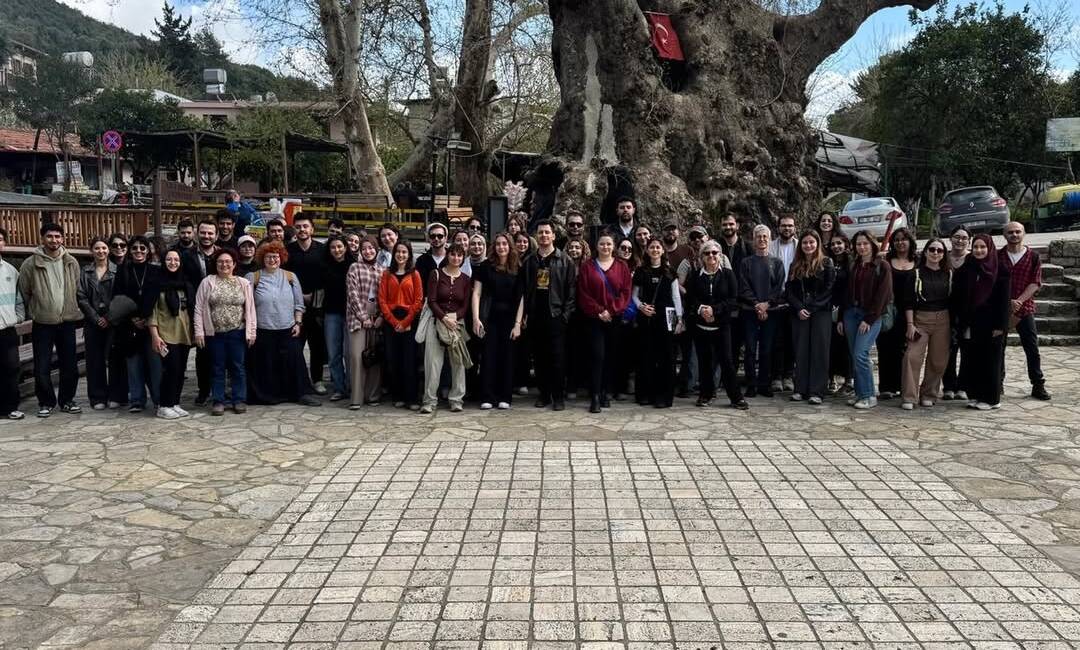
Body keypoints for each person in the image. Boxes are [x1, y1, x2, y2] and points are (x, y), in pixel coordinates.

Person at [19, 223, 83, 417]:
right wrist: (37, 310)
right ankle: (46, 402)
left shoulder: (71, 261)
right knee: (42, 365)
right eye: (49, 236)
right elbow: (25, 292)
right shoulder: (30, 264)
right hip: (43, 323)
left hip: (67, 320)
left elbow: (77, 288)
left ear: (62, 238)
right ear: (42, 238)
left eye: (57, 236)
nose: (54, 240)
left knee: (69, 364)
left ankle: (67, 400)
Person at [245, 242, 319, 407]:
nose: (272, 260)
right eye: (268, 257)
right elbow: (247, 306)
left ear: (281, 258)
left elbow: (299, 303)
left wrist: (298, 323)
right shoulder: (253, 277)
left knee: (294, 363)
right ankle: (267, 396)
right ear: (262, 258)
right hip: (263, 329)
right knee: (266, 365)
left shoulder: (290, 277)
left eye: (276, 256)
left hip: (288, 328)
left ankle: (300, 394)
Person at [685, 240, 747, 410]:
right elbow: (690, 299)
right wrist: (701, 310)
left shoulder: (728, 274)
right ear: (702, 257)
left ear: (720, 255)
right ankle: (706, 393)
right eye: (707, 253)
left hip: (722, 326)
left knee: (727, 362)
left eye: (714, 252)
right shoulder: (695, 276)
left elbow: (733, 300)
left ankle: (736, 397)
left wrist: (714, 310)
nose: (711, 256)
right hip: (701, 326)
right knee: (704, 362)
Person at [522, 219, 577, 411]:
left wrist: (565, 316)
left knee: (557, 358)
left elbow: (572, 292)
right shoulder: (530, 261)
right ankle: (544, 394)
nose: (544, 235)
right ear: (536, 236)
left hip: (556, 315)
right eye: (540, 232)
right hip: (536, 315)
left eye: (547, 232)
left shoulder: (565, 260)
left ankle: (558, 396)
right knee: (539, 358)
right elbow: (524, 290)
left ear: (553, 235)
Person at [195, 249, 256, 416]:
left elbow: (251, 309)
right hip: (215, 334)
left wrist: (252, 331)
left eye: (228, 261)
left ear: (234, 264)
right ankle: (219, 401)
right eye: (220, 261)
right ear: (216, 264)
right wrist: (199, 331)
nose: (224, 264)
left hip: (238, 332)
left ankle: (239, 399)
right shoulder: (208, 282)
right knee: (217, 368)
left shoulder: (243, 283)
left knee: (238, 367)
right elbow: (199, 308)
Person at [577, 232, 632, 413]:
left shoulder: (622, 267)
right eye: (602, 244)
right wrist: (599, 311)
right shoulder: (587, 267)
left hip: (614, 319)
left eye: (609, 244)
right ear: (597, 246)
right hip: (594, 319)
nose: (605, 247)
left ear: (613, 246)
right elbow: (583, 293)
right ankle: (594, 395)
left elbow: (626, 293)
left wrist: (612, 310)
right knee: (597, 356)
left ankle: (605, 392)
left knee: (610, 355)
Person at [954, 234, 1010, 410]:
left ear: (990, 248)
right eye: (976, 247)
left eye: (983, 247)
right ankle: (976, 395)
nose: (979, 251)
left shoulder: (1000, 269)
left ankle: (991, 399)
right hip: (971, 323)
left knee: (991, 361)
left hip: (992, 324)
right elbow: (959, 295)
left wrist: (1001, 326)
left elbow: (1004, 300)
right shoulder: (967, 267)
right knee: (972, 360)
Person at [839, 231, 893, 409]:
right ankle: (860, 393)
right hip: (851, 313)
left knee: (860, 354)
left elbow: (883, 295)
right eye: (858, 244)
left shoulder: (882, 266)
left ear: (872, 244)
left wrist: (869, 319)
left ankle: (869, 395)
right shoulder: (854, 265)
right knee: (854, 355)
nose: (862, 247)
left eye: (865, 243)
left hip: (870, 316)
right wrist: (841, 318)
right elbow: (846, 293)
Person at [471, 232, 525, 410]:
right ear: (494, 247)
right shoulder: (485, 266)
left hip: (510, 319)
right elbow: (477, 293)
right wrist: (476, 318)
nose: (501, 247)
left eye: (504, 244)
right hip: (489, 317)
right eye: (498, 244)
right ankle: (487, 396)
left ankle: (505, 396)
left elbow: (521, 297)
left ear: (510, 246)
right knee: (488, 356)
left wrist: (518, 324)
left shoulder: (517, 267)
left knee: (507, 358)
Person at [999, 222, 1050, 400]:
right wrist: (1007, 301)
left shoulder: (1033, 257)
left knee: (1031, 347)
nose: (1014, 235)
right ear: (1004, 235)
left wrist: (1019, 301)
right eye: (1010, 232)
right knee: (998, 347)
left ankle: (1037, 384)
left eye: (1017, 231)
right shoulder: (998, 256)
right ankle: (997, 383)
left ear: (1024, 233)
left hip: (1025, 309)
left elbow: (1035, 282)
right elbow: (993, 282)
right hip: (1001, 309)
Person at [899, 239, 951, 410]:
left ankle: (929, 394)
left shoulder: (949, 274)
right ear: (926, 251)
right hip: (920, 319)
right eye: (932, 249)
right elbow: (908, 301)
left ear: (944, 254)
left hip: (943, 320)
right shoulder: (915, 274)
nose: (935, 253)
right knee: (912, 357)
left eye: (939, 250)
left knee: (938, 360)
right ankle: (909, 396)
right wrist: (910, 324)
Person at [114, 235, 163, 413]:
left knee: (155, 364)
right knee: (133, 364)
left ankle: (159, 398)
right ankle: (137, 399)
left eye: (142, 248)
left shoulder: (156, 270)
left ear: (148, 251)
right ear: (130, 250)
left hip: (151, 324)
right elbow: (117, 296)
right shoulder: (123, 270)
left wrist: (146, 317)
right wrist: (133, 318)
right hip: (130, 324)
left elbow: (158, 297)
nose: (138, 251)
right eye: (134, 248)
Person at [785, 230, 835, 405]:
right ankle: (800, 389)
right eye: (805, 242)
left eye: (811, 242)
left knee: (819, 351)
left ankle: (817, 391)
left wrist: (811, 308)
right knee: (801, 350)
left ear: (817, 244)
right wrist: (799, 307)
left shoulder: (826, 263)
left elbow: (829, 290)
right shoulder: (795, 264)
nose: (808, 245)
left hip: (821, 312)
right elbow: (789, 290)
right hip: (800, 313)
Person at [633, 237, 683, 408]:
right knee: (646, 355)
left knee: (666, 357)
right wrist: (641, 307)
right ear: (647, 250)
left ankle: (664, 396)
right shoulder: (641, 271)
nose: (655, 250)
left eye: (657, 247)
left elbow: (676, 297)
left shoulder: (670, 272)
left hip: (666, 317)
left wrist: (679, 319)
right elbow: (634, 295)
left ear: (662, 251)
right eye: (652, 247)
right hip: (647, 317)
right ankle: (645, 394)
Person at [421, 243, 472, 414]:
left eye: (459, 255)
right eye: (453, 254)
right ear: (447, 255)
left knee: (458, 363)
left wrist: (454, 318)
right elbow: (432, 300)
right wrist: (443, 318)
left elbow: (465, 305)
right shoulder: (436, 274)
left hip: (456, 324)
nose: (456, 258)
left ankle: (456, 399)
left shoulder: (466, 279)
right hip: (435, 322)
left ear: (463, 258)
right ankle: (429, 400)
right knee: (433, 364)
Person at [739, 225, 786, 398]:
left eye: (765, 236)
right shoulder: (746, 263)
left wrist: (767, 304)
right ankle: (751, 384)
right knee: (751, 349)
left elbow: (779, 287)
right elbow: (743, 287)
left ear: (770, 239)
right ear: (753, 239)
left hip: (771, 312)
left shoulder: (777, 263)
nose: (762, 239)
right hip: (750, 311)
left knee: (767, 349)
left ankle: (764, 384)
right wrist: (756, 304)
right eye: (758, 236)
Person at [284, 214, 329, 394]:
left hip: (318, 306)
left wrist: (314, 296)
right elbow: (284, 277)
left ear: (312, 229)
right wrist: (300, 297)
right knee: (295, 346)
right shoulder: (288, 251)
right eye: (298, 227)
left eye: (305, 226)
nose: (302, 230)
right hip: (294, 306)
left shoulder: (322, 250)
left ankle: (317, 380)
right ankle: (297, 381)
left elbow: (327, 277)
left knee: (317, 345)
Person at [148, 250, 195, 419]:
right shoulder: (156, 284)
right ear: (163, 261)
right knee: (170, 370)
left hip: (184, 334)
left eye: (176, 259)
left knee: (180, 370)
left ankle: (175, 402)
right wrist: (155, 335)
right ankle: (164, 405)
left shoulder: (185, 284)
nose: (173, 262)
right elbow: (152, 312)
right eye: (169, 259)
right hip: (166, 335)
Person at [378, 242, 423, 409]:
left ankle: (412, 398)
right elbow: (382, 300)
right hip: (391, 320)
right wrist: (393, 321)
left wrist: (405, 322)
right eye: (398, 251)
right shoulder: (387, 274)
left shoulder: (414, 274)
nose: (401, 255)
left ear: (409, 255)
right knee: (393, 359)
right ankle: (398, 395)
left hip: (410, 319)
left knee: (409, 359)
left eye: (404, 252)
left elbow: (418, 301)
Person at [77, 238, 119, 410]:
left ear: (108, 250)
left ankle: (116, 395)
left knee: (115, 359)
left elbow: (120, 295)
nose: (101, 251)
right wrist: (95, 318)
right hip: (92, 322)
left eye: (104, 248)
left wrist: (109, 317)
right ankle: (97, 397)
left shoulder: (117, 270)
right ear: (91, 251)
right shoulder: (85, 272)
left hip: (113, 321)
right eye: (97, 248)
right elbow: (81, 297)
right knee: (94, 361)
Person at [181, 219, 219, 405]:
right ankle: (204, 390)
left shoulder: (223, 254)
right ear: (197, 233)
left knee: (220, 352)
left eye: (210, 233)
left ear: (216, 235)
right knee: (202, 352)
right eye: (203, 232)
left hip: (220, 309)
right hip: (196, 307)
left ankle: (219, 390)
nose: (206, 236)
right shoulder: (186, 256)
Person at [877, 227, 917, 400]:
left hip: (911, 312)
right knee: (886, 348)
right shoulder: (885, 260)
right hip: (888, 310)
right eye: (897, 240)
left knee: (906, 350)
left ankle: (903, 386)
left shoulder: (918, 261)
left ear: (910, 241)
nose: (900, 243)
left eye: (904, 239)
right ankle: (887, 386)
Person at [346, 237, 384, 409]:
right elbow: (352, 294)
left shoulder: (382, 270)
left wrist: (380, 316)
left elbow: (384, 296)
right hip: (358, 317)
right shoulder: (354, 267)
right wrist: (363, 317)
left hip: (376, 318)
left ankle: (373, 395)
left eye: (371, 248)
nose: (368, 251)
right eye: (364, 249)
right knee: (356, 357)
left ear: (376, 249)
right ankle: (356, 398)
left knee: (373, 357)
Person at [718, 213, 752, 375]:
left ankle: (733, 377)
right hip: (721, 303)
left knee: (738, 342)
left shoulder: (747, 248)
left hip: (742, 303)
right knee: (723, 343)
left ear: (737, 225)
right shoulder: (716, 247)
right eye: (725, 224)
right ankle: (723, 377)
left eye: (731, 224)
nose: (728, 227)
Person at [768, 213, 797, 392]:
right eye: (784, 225)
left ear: (794, 228)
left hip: (795, 298)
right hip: (776, 298)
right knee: (777, 339)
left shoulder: (800, 246)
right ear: (778, 228)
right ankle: (776, 376)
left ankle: (788, 376)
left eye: (790, 225)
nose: (787, 228)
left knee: (791, 339)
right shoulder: (771, 247)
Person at [323, 236, 354, 401]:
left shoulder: (353, 265)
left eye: (340, 246)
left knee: (350, 353)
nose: (337, 250)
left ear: (345, 247)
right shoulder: (324, 265)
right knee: (334, 353)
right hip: (331, 313)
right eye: (333, 247)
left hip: (351, 314)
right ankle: (339, 388)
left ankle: (352, 386)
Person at [942, 226, 971, 401]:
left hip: (968, 311)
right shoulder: (943, 257)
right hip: (946, 310)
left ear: (969, 241)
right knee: (948, 350)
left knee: (967, 350)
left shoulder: (973, 259)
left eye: (964, 238)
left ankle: (964, 386)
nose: (960, 240)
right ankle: (948, 386)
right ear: (950, 238)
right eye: (957, 237)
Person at [0, 228, 25, 420]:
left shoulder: (11, 270)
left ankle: (10, 407)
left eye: (0, 239)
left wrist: (18, 317)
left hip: (7, 330)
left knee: (11, 368)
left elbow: (19, 299)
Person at [827, 234, 853, 394]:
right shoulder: (827, 261)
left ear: (845, 245)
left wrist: (842, 314)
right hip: (828, 307)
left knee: (845, 346)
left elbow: (849, 290)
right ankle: (830, 378)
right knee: (830, 345)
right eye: (833, 244)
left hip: (845, 309)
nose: (836, 246)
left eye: (839, 243)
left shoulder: (850, 263)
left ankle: (848, 380)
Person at [416, 222, 448, 293]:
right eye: (432, 236)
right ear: (428, 238)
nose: (436, 239)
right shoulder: (421, 260)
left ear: (446, 238)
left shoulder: (452, 258)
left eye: (440, 236)